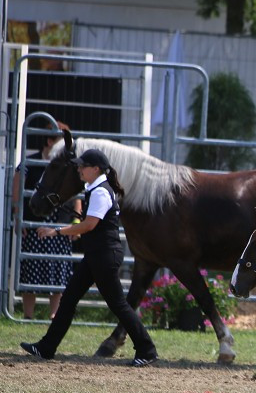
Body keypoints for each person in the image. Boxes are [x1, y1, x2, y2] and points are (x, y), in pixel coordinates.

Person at [20, 148, 159, 367]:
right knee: (69, 299)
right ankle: (46, 347)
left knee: (119, 305)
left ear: (96, 169)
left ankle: (147, 349)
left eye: (82, 166)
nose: (79, 169)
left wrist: (55, 231)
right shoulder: (95, 189)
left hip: (104, 256)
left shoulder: (101, 192)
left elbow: (89, 225)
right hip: (96, 255)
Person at [13, 122, 81, 319]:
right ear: (49, 140)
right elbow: (17, 188)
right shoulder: (30, 162)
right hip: (35, 222)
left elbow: (76, 195)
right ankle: (28, 314)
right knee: (31, 268)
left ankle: (54, 315)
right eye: (60, 141)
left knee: (58, 269)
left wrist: (76, 223)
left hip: (60, 223)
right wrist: (18, 216)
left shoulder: (67, 166)